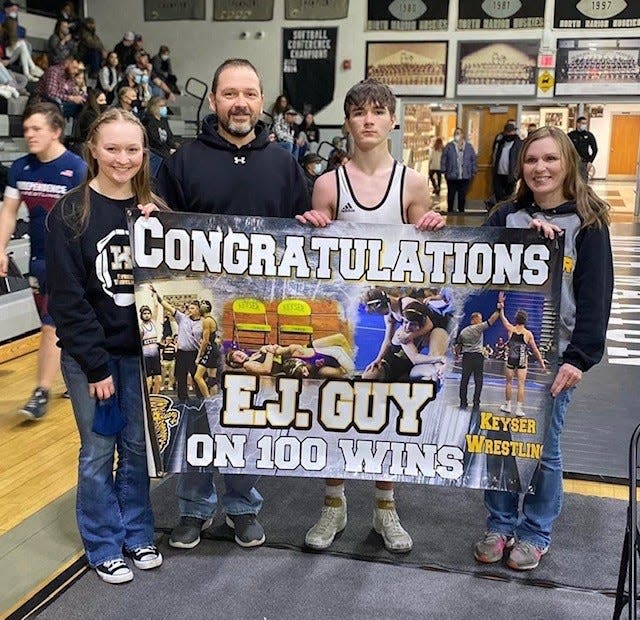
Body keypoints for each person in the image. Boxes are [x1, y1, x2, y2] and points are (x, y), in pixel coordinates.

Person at [151, 58, 309, 551]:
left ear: (261, 102)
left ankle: (243, 506)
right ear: (215, 100)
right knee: (197, 407)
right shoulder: (182, 160)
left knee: (247, 413)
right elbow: (159, 230)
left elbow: (304, 235)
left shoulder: (284, 162)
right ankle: (194, 508)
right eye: (230, 93)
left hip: (260, 315)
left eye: (249, 93)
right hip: (202, 315)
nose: (239, 102)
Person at [296, 78, 444, 554]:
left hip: (388, 316)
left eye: (378, 112)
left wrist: (434, 227)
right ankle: (333, 506)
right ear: (347, 121)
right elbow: (314, 260)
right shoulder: (327, 183)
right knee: (336, 410)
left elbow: (428, 255)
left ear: (392, 120)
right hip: (344, 316)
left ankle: (385, 510)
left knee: (384, 413)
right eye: (359, 112)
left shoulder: (412, 182)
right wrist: (313, 226)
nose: (368, 120)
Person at [474, 125, 613, 571]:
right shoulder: (505, 217)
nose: (541, 168)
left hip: (557, 358)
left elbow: (596, 295)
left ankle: (536, 530)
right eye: (532, 160)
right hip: (504, 356)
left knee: (544, 448)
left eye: (550, 159)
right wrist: (520, 243)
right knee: (498, 440)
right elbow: (471, 272)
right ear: (521, 167)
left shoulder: (588, 222)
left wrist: (580, 357)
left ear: (568, 163)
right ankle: (500, 522)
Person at [46, 108, 167, 584]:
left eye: (132, 149)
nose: (123, 158)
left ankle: (137, 533)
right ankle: (102, 544)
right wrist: (96, 368)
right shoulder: (70, 212)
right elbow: (69, 302)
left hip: (141, 356)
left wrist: (162, 228)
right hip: (90, 361)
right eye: (112, 148)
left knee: (138, 449)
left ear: (144, 154)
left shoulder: (155, 211)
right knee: (98, 450)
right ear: (92, 149)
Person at [0, 103, 86, 420]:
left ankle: (41, 391)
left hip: (68, 262)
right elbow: (9, 213)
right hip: (38, 263)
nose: (29, 135)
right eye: (26, 130)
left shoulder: (75, 168)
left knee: (51, 324)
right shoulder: (20, 168)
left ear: (55, 131)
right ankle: (77, 371)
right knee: (52, 324)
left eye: (36, 129)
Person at [497, 300, 546, 418]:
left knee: (509, 382)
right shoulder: (528, 334)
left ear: (516, 319)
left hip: (511, 359)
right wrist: (542, 364)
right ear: (525, 320)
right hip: (522, 361)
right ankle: (518, 409)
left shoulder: (511, 329)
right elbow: (535, 350)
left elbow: (502, 318)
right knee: (521, 384)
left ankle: (508, 405)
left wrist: (501, 308)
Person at [456, 305, 501, 413]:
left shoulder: (463, 331)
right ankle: (476, 402)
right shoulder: (478, 327)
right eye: (480, 319)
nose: (481, 321)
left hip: (467, 357)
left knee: (464, 380)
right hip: (477, 357)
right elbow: (492, 320)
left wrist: (457, 355)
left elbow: (458, 346)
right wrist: (499, 309)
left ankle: (463, 402)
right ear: (474, 319)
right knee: (478, 381)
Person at [441, 128, 477, 213]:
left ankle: (461, 213)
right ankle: (450, 212)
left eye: (459, 133)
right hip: (452, 176)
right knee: (451, 196)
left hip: (465, 176)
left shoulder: (469, 146)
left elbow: (473, 159)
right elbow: (444, 158)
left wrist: (473, 170)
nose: (457, 135)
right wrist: (444, 170)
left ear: (463, 135)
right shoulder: (449, 146)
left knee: (462, 196)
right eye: (456, 133)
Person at [194, 300, 221, 398]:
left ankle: (207, 398)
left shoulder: (206, 321)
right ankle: (213, 400)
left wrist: (199, 356)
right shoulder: (212, 320)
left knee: (197, 376)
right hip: (214, 349)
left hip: (210, 350)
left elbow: (205, 341)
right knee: (211, 379)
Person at [491, 122, 522, 202]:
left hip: (511, 175)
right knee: (498, 195)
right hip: (499, 174)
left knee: (509, 197)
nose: (510, 133)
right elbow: (495, 155)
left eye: (511, 131)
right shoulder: (501, 143)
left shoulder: (519, 144)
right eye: (508, 131)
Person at [567, 116, 597, 181]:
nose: (584, 125)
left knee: (583, 182)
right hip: (573, 162)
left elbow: (595, 149)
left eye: (585, 123)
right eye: (583, 123)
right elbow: (565, 148)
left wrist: (590, 161)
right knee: (571, 182)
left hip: (584, 162)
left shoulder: (589, 135)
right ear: (578, 124)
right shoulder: (571, 135)